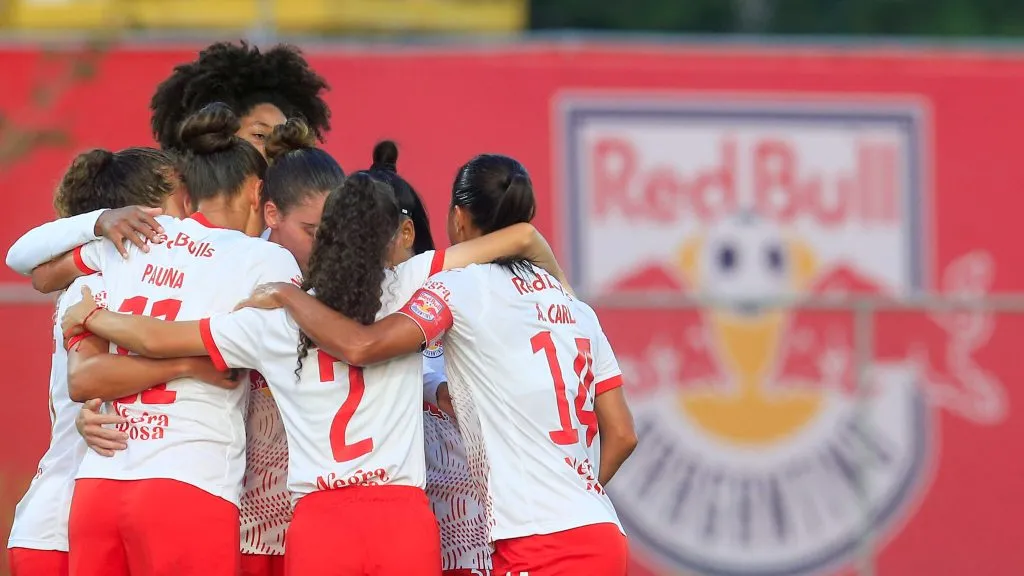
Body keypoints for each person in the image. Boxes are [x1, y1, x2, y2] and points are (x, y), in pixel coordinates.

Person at [59, 168, 572, 575]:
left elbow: (153, 338)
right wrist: (568, 304)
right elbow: (523, 237)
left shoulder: (272, 319)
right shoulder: (412, 285)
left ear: (323, 234)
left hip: (321, 523)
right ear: (397, 235)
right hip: (401, 520)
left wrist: (92, 316)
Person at [211, 154, 639, 575]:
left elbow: (361, 345)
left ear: (458, 219)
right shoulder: (577, 311)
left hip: (520, 534)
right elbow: (620, 434)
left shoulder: (450, 288)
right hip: (592, 526)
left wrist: (289, 295)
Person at [29, 102, 303, 576]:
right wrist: (193, 363)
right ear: (259, 192)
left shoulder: (132, 240)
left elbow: (32, 269)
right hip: (190, 484)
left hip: (99, 487)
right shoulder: (263, 261)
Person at [4, 147, 210, 576]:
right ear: (142, 211)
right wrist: (97, 222)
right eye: (184, 201)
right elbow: (22, 259)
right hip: (62, 525)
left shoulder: (169, 280)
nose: (193, 217)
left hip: (116, 513)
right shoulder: (95, 282)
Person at [363, 140, 492, 575]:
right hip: (392, 484)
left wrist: (438, 388)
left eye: (367, 229)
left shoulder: (443, 282)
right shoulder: (343, 298)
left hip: (458, 481)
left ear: (406, 234)